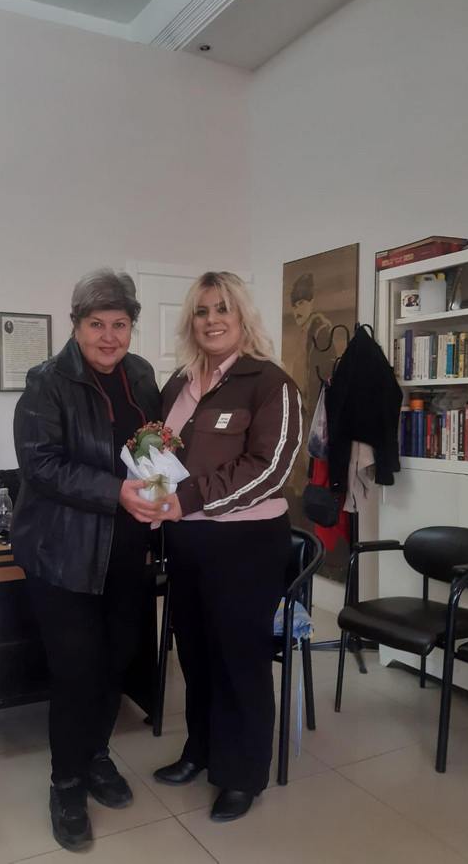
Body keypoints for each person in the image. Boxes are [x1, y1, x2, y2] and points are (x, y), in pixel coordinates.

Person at [12, 269, 162, 852]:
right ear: (76, 326)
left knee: (114, 664)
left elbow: (152, 446)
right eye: (96, 324)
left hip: (126, 550)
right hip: (64, 554)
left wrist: (158, 491)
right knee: (75, 673)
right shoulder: (46, 382)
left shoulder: (142, 375)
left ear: (131, 327)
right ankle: (66, 783)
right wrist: (115, 491)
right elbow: (41, 465)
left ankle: (96, 755)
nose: (109, 336)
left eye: (119, 324)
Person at [154, 271, 303, 821]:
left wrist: (187, 498)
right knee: (195, 654)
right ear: (190, 321)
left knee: (239, 657)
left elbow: (270, 468)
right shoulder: (178, 383)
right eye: (202, 310)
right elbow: (158, 452)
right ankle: (201, 749)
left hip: (245, 543)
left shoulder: (270, 382)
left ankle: (242, 774)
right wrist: (151, 495)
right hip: (186, 539)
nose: (212, 320)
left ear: (242, 317)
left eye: (223, 309)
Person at [289, 271, 333, 415]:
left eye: (301, 303)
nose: (297, 310)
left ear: (312, 303)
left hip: (315, 410)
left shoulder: (320, 333)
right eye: (294, 306)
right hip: (302, 407)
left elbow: (322, 377)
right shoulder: (304, 333)